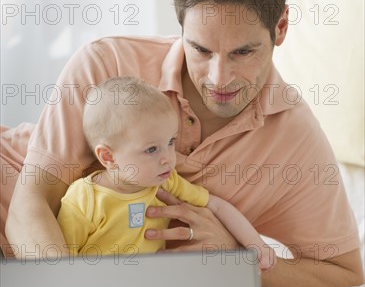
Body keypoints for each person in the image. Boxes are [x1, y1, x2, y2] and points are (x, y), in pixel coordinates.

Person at [2, 0, 363, 287]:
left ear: (280, 28)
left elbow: (343, 274)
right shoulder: (105, 64)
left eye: (243, 53)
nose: (219, 78)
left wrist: (233, 256)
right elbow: (28, 205)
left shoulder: (294, 140)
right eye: (201, 50)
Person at [57, 76, 274, 270]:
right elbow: (63, 264)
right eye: (151, 149)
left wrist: (256, 245)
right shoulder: (85, 198)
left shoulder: (165, 182)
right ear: (108, 157)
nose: (168, 158)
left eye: (170, 142)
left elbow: (216, 205)